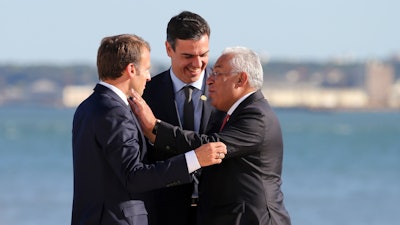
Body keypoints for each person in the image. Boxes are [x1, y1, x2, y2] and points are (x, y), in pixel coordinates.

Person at [71, 34, 227, 225]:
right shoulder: (114, 112)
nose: (148, 77)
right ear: (131, 69)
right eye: (146, 69)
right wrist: (194, 159)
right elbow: (133, 176)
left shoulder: (88, 106)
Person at [130, 46, 292, 225]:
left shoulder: (256, 116)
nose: (209, 81)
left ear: (241, 79)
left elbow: (210, 146)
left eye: (217, 73)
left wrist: (155, 128)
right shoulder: (236, 113)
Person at [141, 11, 225, 225]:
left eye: (204, 54)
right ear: (169, 49)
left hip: (217, 213)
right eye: (188, 56)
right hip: (162, 214)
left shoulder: (227, 92)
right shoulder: (145, 94)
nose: (197, 64)